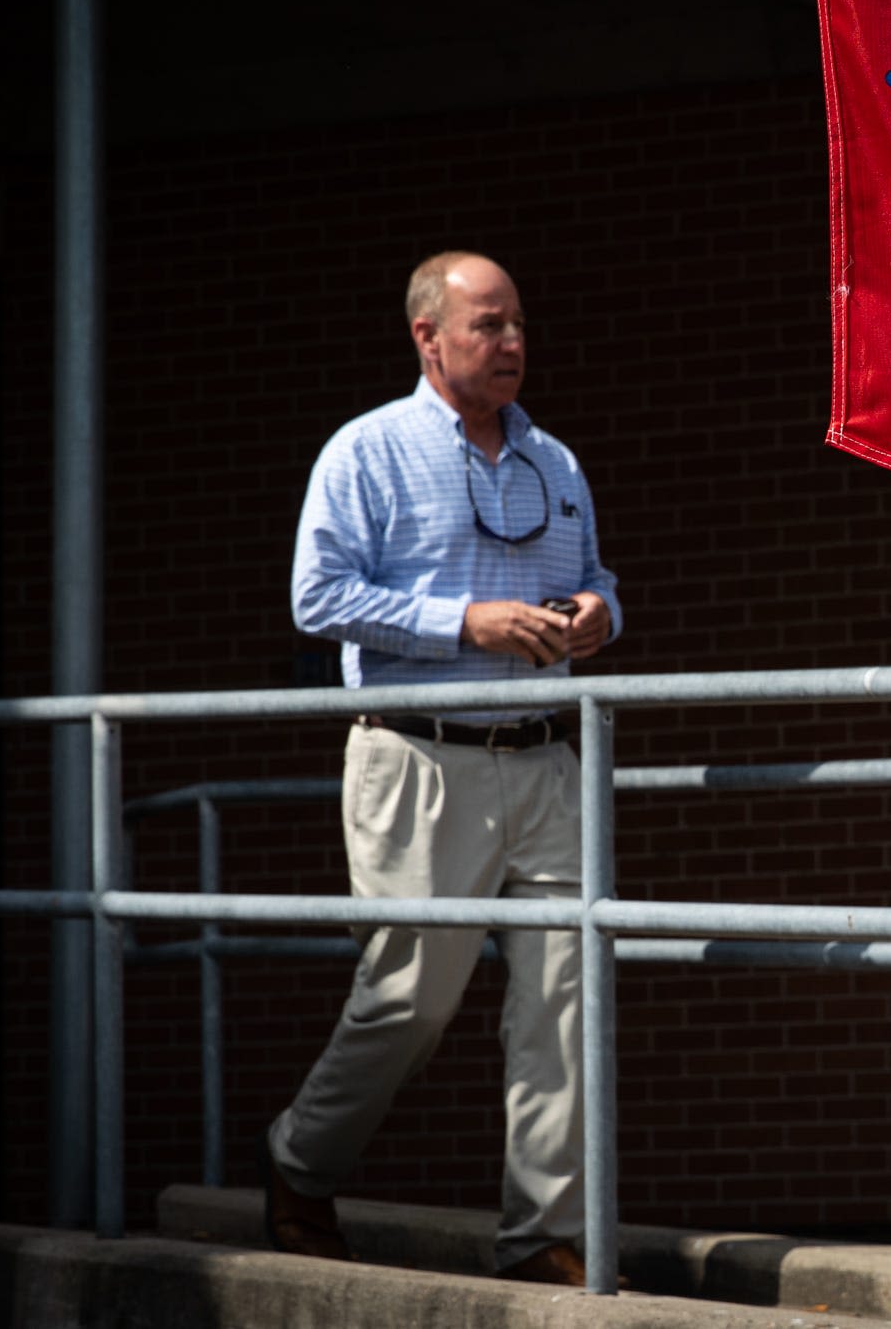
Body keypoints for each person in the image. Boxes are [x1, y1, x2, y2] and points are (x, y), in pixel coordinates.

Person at [261, 251, 621, 1287]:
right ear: (428, 336)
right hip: (418, 756)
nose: (511, 344)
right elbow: (318, 598)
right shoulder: (365, 452)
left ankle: (543, 1235)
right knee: (409, 997)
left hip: (546, 759)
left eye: (517, 326)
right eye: (488, 326)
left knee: (566, 998)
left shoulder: (553, 462)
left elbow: (593, 576)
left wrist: (602, 612)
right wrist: (462, 622)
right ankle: (299, 1159)